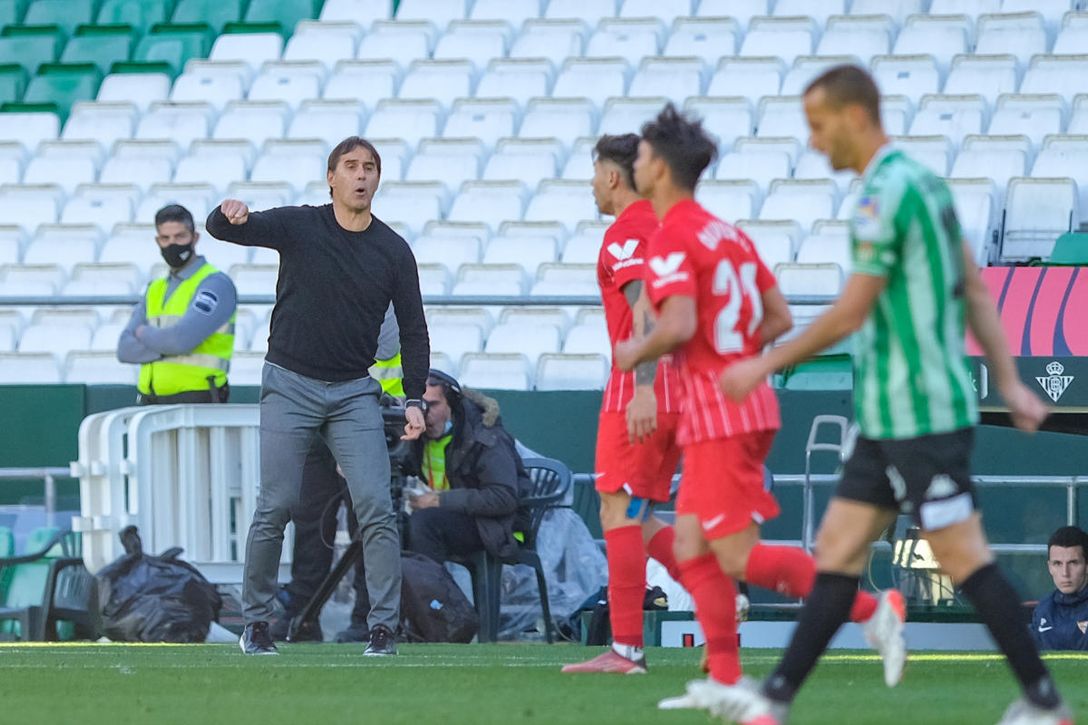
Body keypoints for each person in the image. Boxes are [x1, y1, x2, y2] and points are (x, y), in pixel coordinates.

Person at [716, 65, 1071, 725]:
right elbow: (974, 287)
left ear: (855, 117)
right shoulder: (927, 186)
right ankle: (774, 700)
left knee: (963, 556)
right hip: (887, 416)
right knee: (839, 552)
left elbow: (852, 310)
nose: (815, 143)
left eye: (819, 126)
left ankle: (1045, 703)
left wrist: (764, 363)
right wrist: (1011, 380)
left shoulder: (883, 193)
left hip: (922, 415)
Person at [612, 104, 903, 708]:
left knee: (735, 554)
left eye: (640, 155)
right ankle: (723, 683)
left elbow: (682, 321)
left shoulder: (671, 235)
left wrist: (637, 348)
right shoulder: (728, 233)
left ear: (659, 169)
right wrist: (735, 353)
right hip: (740, 404)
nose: (634, 164)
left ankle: (874, 610)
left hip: (720, 413)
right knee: (691, 548)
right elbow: (779, 317)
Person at [205, 135, 430, 658]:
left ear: (378, 179)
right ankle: (256, 623)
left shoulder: (393, 249)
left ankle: (383, 628)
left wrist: (415, 397)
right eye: (350, 166)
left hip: (354, 391)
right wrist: (227, 212)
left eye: (369, 167)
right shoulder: (301, 225)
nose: (360, 175)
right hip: (290, 383)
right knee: (277, 503)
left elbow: (415, 330)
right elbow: (223, 229)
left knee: (376, 506)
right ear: (331, 177)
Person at [562, 133, 685, 675]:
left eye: (595, 173)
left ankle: (627, 649)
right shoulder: (667, 228)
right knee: (639, 514)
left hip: (640, 390)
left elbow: (646, 312)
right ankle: (715, 589)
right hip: (681, 389)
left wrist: (641, 388)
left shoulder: (626, 234)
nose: (591, 184)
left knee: (617, 511)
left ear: (612, 177)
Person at [272, 304, 405, 644]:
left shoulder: (379, 288)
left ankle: (367, 616)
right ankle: (303, 615)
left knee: (367, 524)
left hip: (368, 421)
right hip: (317, 420)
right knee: (310, 520)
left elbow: (381, 346)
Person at [403, 369, 530, 567]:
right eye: (420, 406)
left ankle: (434, 595)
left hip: (496, 525)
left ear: (452, 405)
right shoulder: (416, 437)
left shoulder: (485, 438)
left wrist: (440, 500)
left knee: (424, 523)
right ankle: (390, 596)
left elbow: (503, 498)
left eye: (433, 404)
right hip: (453, 516)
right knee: (389, 526)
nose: (426, 413)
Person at [117, 204, 237, 404]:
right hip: (150, 400)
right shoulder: (154, 288)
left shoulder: (214, 284)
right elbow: (124, 349)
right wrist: (169, 345)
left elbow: (180, 340)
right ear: (158, 241)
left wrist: (143, 334)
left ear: (194, 237)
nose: (172, 244)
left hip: (198, 398)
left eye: (180, 236)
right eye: (165, 238)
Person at [1032, 526, 1088, 651]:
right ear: (1049, 567)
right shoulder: (1043, 609)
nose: (1065, 573)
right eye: (1057, 563)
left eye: (1073, 563)